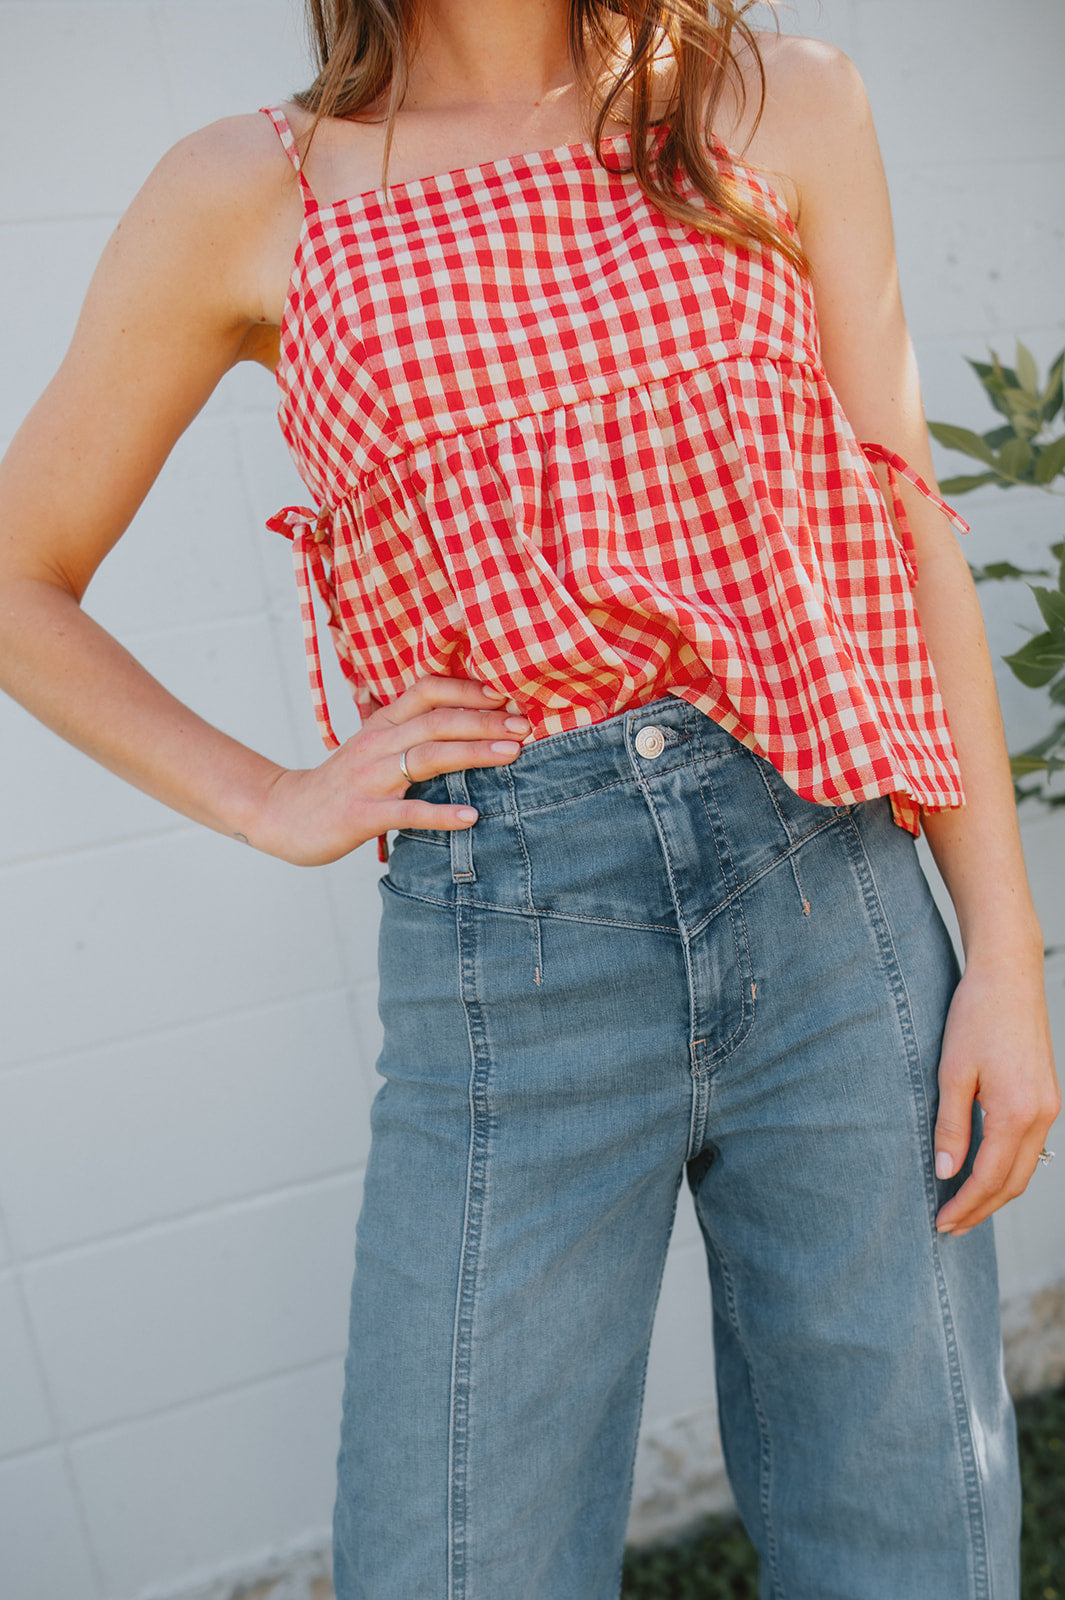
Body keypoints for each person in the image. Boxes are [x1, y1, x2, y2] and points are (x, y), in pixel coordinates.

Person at [0, 0, 1059, 1595]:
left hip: (828, 896)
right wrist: (270, 798)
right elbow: (20, 575)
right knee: (453, 1558)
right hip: (511, 942)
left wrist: (1003, 960)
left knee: (907, 1533)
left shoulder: (779, 100)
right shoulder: (249, 188)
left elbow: (903, 522)